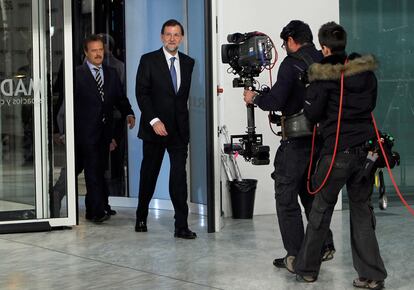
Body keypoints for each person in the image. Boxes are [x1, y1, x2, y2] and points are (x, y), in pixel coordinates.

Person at [293, 22, 387, 289]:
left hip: (338, 152)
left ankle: (308, 270)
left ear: (324, 48)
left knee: (321, 209)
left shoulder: (323, 75)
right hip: (367, 152)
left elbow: (311, 113)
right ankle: (372, 275)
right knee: (361, 211)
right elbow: (370, 103)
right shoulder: (365, 73)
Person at [243, 20, 335, 270]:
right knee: (312, 194)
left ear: (292, 40)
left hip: (296, 143)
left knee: (286, 199)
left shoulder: (290, 63)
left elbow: (275, 99)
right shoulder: (323, 60)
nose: (284, 47)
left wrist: (255, 97)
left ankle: (295, 256)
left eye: (285, 43)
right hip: (322, 141)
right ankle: (325, 245)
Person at [134, 19, 196, 239]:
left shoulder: (189, 63)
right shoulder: (148, 60)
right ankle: (141, 216)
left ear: (181, 38)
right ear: (162, 37)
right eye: (168, 34)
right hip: (154, 129)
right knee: (149, 175)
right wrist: (154, 120)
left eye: (176, 34)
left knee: (179, 178)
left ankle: (181, 226)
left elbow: (181, 98)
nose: (172, 38)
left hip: (179, 131)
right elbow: (142, 93)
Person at [74, 34, 135, 223]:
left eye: (100, 50)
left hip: (105, 131)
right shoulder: (76, 73)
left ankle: (97, 206)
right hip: (85, 132)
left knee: (100, 170)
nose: (98, 54)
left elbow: (119, 98)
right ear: (86, 53)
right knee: (92, 170)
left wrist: (129, 113)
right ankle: (96, 211)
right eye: (94, 50)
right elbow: (66, 104)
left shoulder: (111, 73)